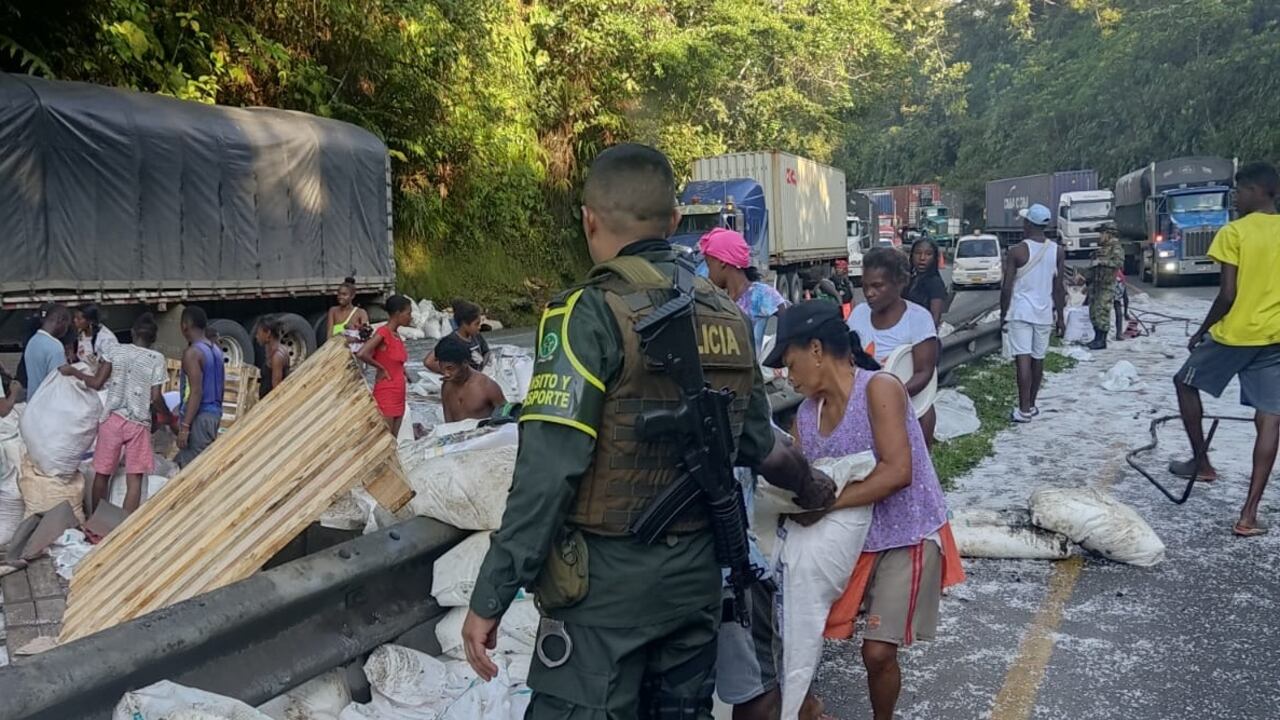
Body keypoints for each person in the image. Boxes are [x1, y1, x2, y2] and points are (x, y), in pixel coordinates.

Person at [461, 144, 834, 719]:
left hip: (605, 597)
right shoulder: (727, 317)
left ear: (588, 218)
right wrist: (815, 488)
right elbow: (760, 444)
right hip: (695, 585)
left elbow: (547, 472)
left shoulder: (587, 314)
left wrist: (490, 597)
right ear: (678, 222)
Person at [763, 301, 963, 720]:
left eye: (789, 360)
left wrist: (824, 502)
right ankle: (810, 708)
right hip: (850, 539)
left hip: (904, 533)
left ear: (816, 349)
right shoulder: (805, 413)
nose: (787, 373)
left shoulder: (879, 388)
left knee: (877, 652)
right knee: (797, 634)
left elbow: (898, 471)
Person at [1171, 161, 1280, 536]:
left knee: (1184, 382)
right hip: (1274, 339)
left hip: (1234, 335)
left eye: (1239, 191)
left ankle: (1202, 463)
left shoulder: (1233, 232)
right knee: (1270, 418)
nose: (1235, 198)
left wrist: (1202, 330)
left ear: (1256, 191)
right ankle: (1248, 515)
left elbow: (1228, 295)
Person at [60, 314, 170, 514]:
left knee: (102, 474)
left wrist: (73, 371)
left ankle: (96, 523)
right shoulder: (157, 359)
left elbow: (96, 383)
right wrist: (169, 417)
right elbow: (155, 397)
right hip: (138, 424)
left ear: (132, 332)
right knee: (134, 479)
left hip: (112, 419)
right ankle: (123, 529)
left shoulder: (115, 351)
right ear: (154, 339)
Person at [847, 248, 940, 445]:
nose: (869, 293)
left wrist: (889, 399)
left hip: (910, 409)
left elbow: (924, 372)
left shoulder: (918, 319)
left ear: (899, 283)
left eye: (877, 286)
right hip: (863, 409)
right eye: (865, 286)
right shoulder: (858, 315)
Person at [1000, 203, 1066, 423]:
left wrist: (1003, 314)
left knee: (1022, 359)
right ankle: (1033, 404)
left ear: (1028, 223)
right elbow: (1059, 288)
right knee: (1038, 359)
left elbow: (1007, 287)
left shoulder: (1017, 251)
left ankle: (1023, 409)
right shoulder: (1057, 251)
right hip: (1044, 313)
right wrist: (1061, 318)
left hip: (1020, 311)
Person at [700, 227, 789, 353]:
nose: (708, 274)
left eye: (709, 265)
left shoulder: (760, 295)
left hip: (752, 371)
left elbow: (789, 322)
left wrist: (777, 356)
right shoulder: (719, 298)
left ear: (722, 262)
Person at [175, 306, 226, 468]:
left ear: (184, 326)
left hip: (199, 417)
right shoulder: (216, 351)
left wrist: (185, 427)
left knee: (192, 469)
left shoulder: (193, 353)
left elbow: (196, 391)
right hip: (214, 414)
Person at [358, 295, 412, 437]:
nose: (410, 317)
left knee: (394, 440)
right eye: (408, 313)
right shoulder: (384, 332)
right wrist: (381, 368)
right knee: (384, 439)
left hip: (399, 393)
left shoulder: (397, 335)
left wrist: (405, 373)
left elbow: (394, 360)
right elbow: (362, 353)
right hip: (386, 392)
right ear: (397, 314)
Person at [435, 333, 506, 423]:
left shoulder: (487, 387)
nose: (446, 374)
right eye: (442, 368)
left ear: (464, 363)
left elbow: (507, 419)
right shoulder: (446, 386)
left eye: (450, 368)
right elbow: (448, 423)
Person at [1085, 225, 1126, 350]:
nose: (1100, 237)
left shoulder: (1116, 248)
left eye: (1102, 234)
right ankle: (1096, 338)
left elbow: (1119, 263)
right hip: (1096, 285)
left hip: (1106, 285)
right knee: (1094, 312)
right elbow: (1093, 267)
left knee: (1102, 311)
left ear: (1109, 234)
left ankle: (1101, 340)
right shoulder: (1101, 249)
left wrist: (1103, 262)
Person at [425, 299, 491, 373]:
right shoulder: (450, 341)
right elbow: (429, 362)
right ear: (464, 324)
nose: (479, 327)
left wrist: (483, 367)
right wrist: (452, 373)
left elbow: (486, 352)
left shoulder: (476, 336)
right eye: (476, 324)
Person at [22, 304, 71, 400]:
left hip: (32, 402)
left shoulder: (33, 341)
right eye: (67, 325)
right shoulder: (55, 346)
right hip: (48, 405)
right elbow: (58, 382)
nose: (66, 330)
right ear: (60, 321)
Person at [906, 237, 948, 330]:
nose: (922, 258)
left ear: (934, 258)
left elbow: (934, 317)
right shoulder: (910, 280)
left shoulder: (935, 282)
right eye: (918, 253)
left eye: (928, 254)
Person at [255, 315, 291, 398]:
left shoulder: (277, 357)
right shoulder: (274, 351)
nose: (257, 337)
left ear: (268, 333)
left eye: (258, 333)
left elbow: (276, 390)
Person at [73, 304, 119, 368]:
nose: (74, 320)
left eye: (78, 319)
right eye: (74, 317)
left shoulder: (106, 339)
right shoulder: (81, 332)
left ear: (90, 321)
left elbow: (110, 366)